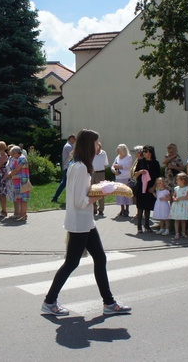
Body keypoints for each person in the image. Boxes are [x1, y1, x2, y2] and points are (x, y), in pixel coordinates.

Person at [41, 129, 131, 316]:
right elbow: (79, 201)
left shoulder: (80, 165)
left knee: (100, 258)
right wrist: (102, 193)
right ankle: (49, 302)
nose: (99, 146)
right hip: (79, 223)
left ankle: (109, 303)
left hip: (85, 222)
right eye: (97, 143)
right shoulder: (80, 167)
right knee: (71, 263)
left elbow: (81, 194)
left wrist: (98, 189)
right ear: (89, 145)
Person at [133, 145, 160, 233]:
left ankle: (147, 225)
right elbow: (135, 174)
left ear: (150, 153)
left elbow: (158, 177)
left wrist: (154, 187)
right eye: (143, 151)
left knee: (148, 206)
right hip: (141, 186)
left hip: (150, 187)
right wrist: (140, 172)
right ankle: (139, 226)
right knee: (140, 207)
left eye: (146, 151)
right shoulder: (141, 162)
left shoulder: (155, 163)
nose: (144, 153)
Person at [6, 146, 30, 221]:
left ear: (16, 153)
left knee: (23, 199)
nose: (12, 156)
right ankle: (21, 214)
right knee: (20, 199)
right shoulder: (17, 159)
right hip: (18, 181)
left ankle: (23, 214)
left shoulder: (22, 158)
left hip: (22, 181)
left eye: (13, 154)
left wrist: (9, 175)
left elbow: (16, 169)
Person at [52, 134, 76, 202]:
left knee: (65, 183)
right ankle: (55, 197)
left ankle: (56, 197)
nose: (75, 141)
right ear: (71, 138)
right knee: (64, 182)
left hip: (68, 166)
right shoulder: (68, 146)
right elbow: (73, 155)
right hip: (68, 166)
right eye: (74, 139)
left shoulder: (69, 146)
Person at [171, 173, 188, 240]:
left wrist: (180, 198)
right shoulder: (176, 188)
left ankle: (183, 232)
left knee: (183, 220)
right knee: (177, 220)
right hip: (177, 205)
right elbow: (174, 195)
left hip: (184, 205)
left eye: (178, 180)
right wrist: (174, 198)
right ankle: (177, 233)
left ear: (183, 180)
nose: (176, 181)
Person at [112, 144, 133, 217]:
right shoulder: (117, 157)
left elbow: (128, 166)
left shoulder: (128, 157)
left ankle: (127, 209)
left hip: (126, 177)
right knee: (120, 194)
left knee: (126, 193)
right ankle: (122, 209)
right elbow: (113, 166)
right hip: (118, 178)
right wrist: (114, 171)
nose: (118, 151)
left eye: (119, 149)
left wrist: (118, 166)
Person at [92, 142, 109, 216]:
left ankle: (101, 209)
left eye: (98, 150)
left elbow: (106, 164)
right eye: (96, 150)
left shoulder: (103, 153)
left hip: (101, 173)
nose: (97, 151)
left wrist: (99, 170)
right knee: (92, 192)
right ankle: (93, 208)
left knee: (101, 192)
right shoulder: (91, 153)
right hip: (92, 173)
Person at [129, 145, 144, 222]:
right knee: (136, 198)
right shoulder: (137, 160)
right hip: (135, 181)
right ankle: (138, 212)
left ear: (139, 152)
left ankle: (141, 213)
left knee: (140, 198)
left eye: (135, 152)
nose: (134, 153)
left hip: (141, 182)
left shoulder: (142, 160)